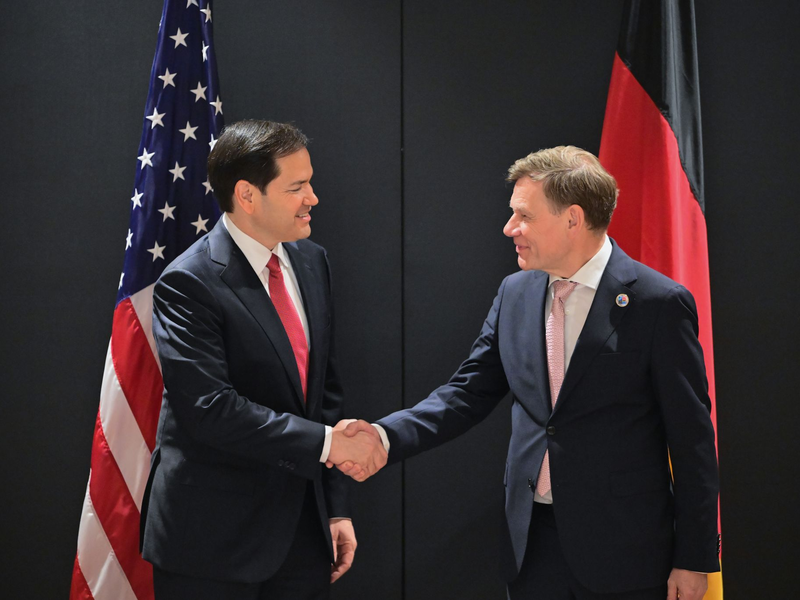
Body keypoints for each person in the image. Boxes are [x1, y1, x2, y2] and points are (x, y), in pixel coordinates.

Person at [342, 146, 720, 600]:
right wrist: (384, 436)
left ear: (573, 219)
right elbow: (466, 393)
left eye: (524, 215)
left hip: (625, 551)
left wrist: (694, 557)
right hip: (531, 546)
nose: (509, 228)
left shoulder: (657, 304)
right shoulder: (515, 292)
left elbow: (693, 441)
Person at [139, 119, 386, 600]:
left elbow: (324, 392)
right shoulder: (188, 282)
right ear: (247, 195)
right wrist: (329, 446)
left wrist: (334, 505)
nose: (313, 197)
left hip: (302, 535)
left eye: (309, 182)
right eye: (297, 187)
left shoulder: (312, 261)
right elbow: (210, 409)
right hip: (212, 544)